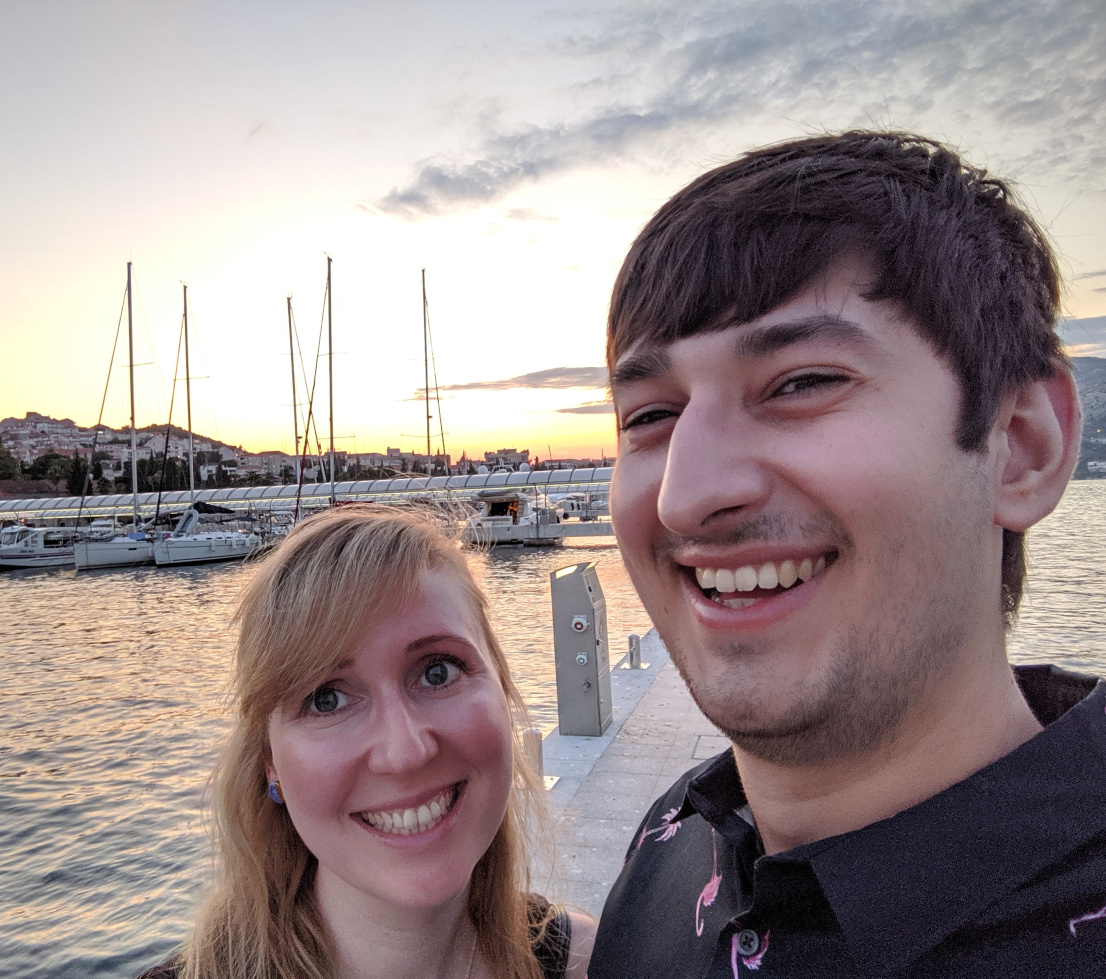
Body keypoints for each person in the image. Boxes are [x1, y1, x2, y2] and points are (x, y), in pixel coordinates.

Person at [591, 131, 1106, 976]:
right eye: (650, 415)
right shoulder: (670, 846)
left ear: (1021, 445)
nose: (687, 495)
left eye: (802, 382)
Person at [139, 506, 595, 979]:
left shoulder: (592, 961)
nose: (404, 753)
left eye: (438, 671)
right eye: (327, 699)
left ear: (502, 688)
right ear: (269, 761)